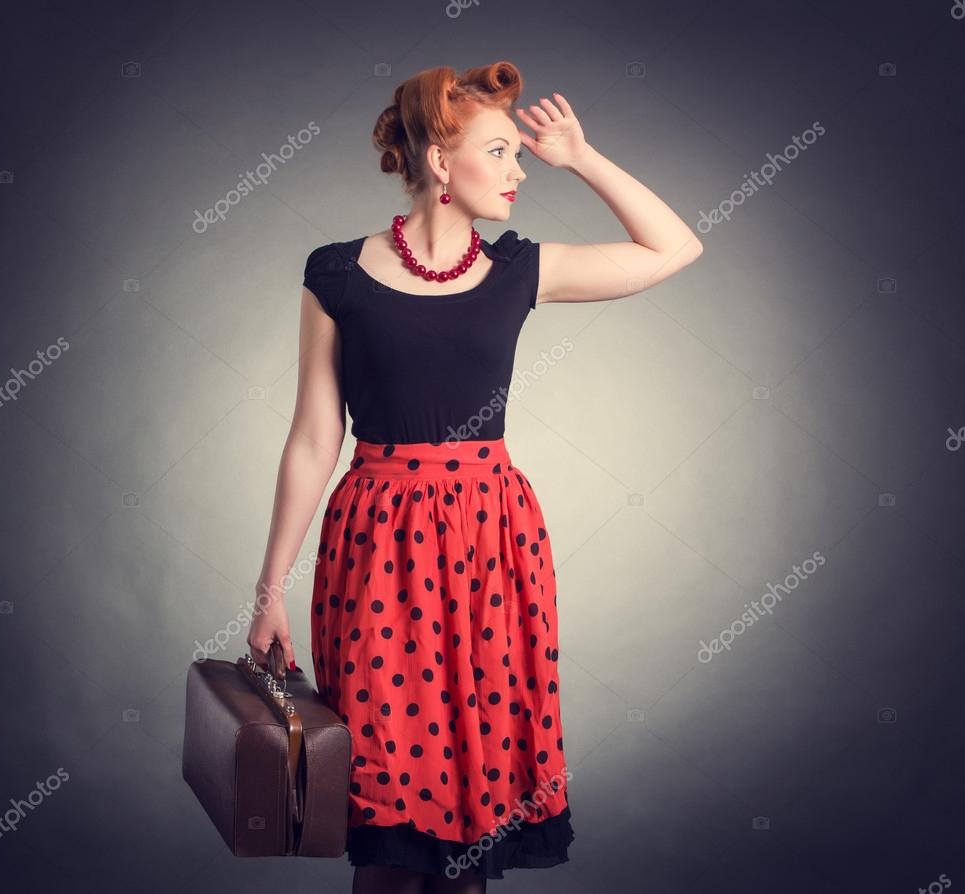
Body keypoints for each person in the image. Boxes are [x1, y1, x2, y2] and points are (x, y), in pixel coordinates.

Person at [247, 60, 703, 894]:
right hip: (376, 549)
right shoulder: (336, 274)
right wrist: (269, 586)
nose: (520, 170)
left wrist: (584, 157)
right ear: (437, 160)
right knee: (383, 819)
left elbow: (676, 247)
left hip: (490, 542)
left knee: (473, 802)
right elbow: (315, 436)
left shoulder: (520, 270)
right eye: (500, 151)